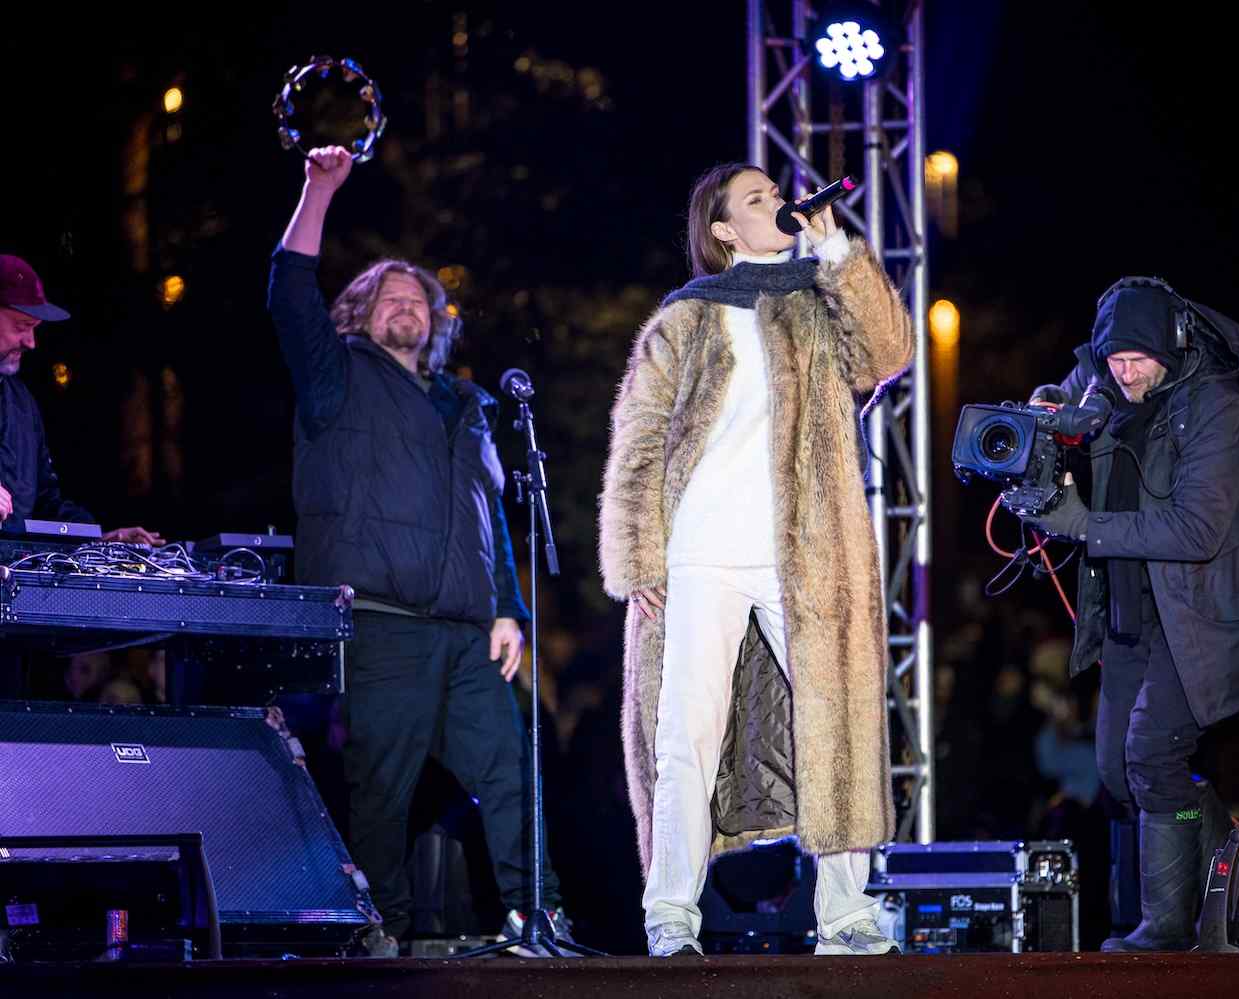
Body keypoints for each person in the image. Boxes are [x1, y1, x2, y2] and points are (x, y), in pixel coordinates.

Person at [598, 162, 914, 957]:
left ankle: (845, 914)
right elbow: (639, 433)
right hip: (700, 551)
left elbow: (886, 354)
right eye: (757, 199)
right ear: (722, 229)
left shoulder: (816, 297)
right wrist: (637, 555)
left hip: (802, 551)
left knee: (837, 721)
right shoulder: (688, 313)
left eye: (776, 193)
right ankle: (671, 913)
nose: (778, 203)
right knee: (686, 733)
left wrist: (839, 252)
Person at [267, 146, 568, 957]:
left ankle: (539, 917)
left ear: (437, 321)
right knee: (381, 787)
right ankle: (383, 933)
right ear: (359, 315)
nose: (407, 305)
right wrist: (318, 190)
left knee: (511, 769)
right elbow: (289, 292)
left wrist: (507, 607)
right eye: (388, 297)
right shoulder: (336, 378)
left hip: (468, 633)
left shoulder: (465, 404)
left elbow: (487, 513)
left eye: (419, 300)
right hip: (382, 623)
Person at [1022, 276, 1239, 951]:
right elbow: (1068, 391)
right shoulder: (1106, 376)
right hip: (1129, 610)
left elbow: (1197, 530)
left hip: (1198, 621)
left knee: (1152, 753)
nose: (1125, 374)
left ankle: (1166, 928)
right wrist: (1045, 408)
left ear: (1174, 344)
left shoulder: (1217, 409)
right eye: (1116, 360)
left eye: (1138, 360)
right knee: (1117, 773)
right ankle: (1234, 869)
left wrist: (1082, 523)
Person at [0, 254, 163, 698]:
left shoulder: (21, 403)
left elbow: (45, 502)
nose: (32, 342)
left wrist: (96, 542)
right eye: (22, 326)